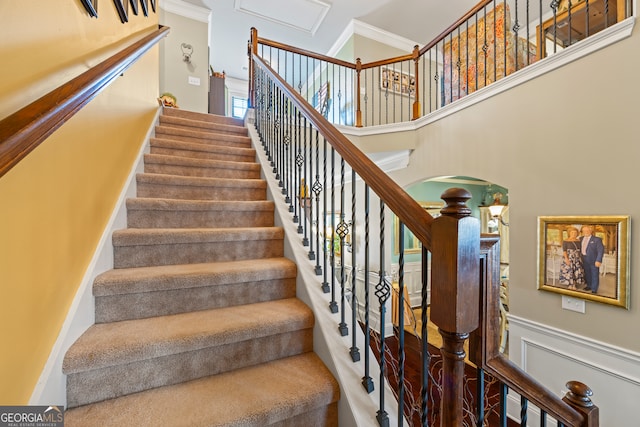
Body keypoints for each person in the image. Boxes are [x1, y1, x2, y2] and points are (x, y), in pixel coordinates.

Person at [580, 225, 604, 293]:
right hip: (584, 259)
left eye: (587, 230)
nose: (586, 232)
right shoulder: (580, 238)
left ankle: (594, 289)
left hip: (594, 260)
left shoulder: (597, 239)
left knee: (594, 274)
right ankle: (589, 286)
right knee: (587, 274)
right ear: (582, 232)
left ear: (591, 231)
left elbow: (600, 250)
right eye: (584, 231)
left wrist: (598, 260)